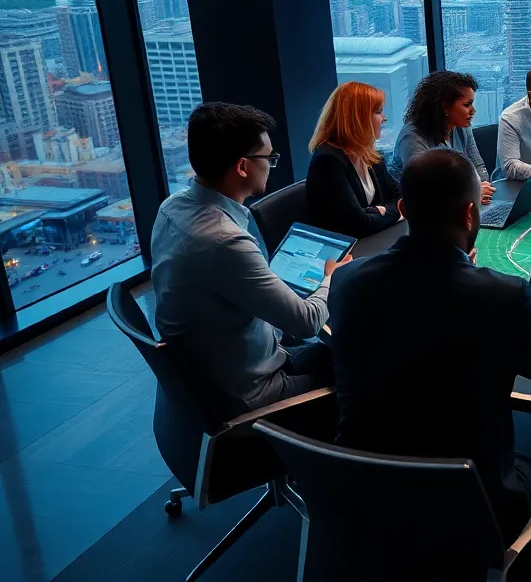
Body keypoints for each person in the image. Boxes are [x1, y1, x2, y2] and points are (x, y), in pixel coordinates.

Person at [327, 148, 531, 538]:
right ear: (470, 214)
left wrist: (466, 275)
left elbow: (419, 316)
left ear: (404, 209)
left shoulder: (345, 281)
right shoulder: (503, 298)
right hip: (473, 509)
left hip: (361, 493)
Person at [151, 103, 349, 413]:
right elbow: (307, 322)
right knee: (366, 367)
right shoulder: (225, 241)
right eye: (269, 158)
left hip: (219, 368)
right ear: (243, 167)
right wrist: (331, 276)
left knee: (347, 351)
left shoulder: (172, 208)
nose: (272, 165)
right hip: (253, 392)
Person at [306, 81, 402, 238]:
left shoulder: (368, 153)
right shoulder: (328, 160)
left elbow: (400, 197)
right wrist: (390, 212)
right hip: (344, 252)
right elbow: (358, 224)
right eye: (378, 112)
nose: (383, 119)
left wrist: (378, 212)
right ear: (358, 118)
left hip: (371, 239)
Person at [386, 71, 495, 205]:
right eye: (467, 105)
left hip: (457, 202)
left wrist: (480, 190)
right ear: (445, 108)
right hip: (417, 210)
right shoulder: (412, 137)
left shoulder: (462, 126)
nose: (473, 111)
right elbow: (427, 189)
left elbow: (478, 167)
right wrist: (474, 192)